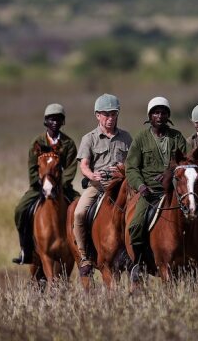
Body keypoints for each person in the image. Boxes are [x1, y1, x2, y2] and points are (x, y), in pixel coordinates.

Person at [125, 97, 198, 272]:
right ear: (150, 116)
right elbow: (131, 168)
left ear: (168, 115)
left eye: (163, 112)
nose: (159, 116)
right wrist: (140, 186)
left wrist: (172, 174)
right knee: (136, 224)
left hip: (179, 190)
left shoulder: (176, 137)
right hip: (150, 192)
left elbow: (189, 161)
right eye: (156, 112)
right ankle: (138, 264)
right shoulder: (140, 138)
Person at [12, 103, 79, 265]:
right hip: (39, 187)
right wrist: (40, 184)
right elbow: (32, 167)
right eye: (51, 119)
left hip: (62, 188)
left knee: (82, 209)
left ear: (62, 122)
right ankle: (25, 249)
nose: (54, 122)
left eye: (58, 119)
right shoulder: (37, 142)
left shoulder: (68, 144)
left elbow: (70, 168)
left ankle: (83, 250)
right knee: (21, 210)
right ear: (46, 122)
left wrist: (60, 185)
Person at [73, 94, 132, 276]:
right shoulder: (89, 138)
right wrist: (92, 175)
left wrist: (124, 169)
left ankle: (140, 254)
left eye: (113, 114)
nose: (110, 118)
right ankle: (84, 255)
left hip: (122, 186)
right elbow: (83, 164)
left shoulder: (126, 137)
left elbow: (132, 162)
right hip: (98, 186)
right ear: (97, 115)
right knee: (79, 213)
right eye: (106, 114)